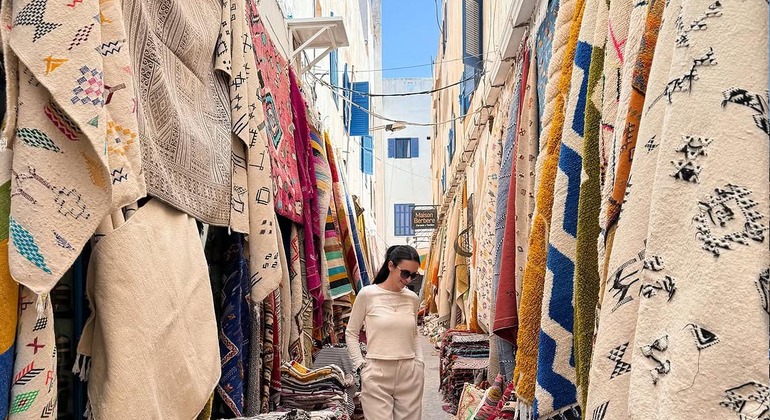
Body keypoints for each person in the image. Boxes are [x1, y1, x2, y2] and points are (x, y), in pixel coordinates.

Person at [345, 245, 425, 420]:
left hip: (409, 372)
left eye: (414, 275)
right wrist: (361, 366)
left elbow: (414, 334)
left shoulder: (412, 298)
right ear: (391, 266)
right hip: (376, 372)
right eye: (405, 273)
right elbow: (351, 333)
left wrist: (419, 364)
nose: (408, 280)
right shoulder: (367, 295)